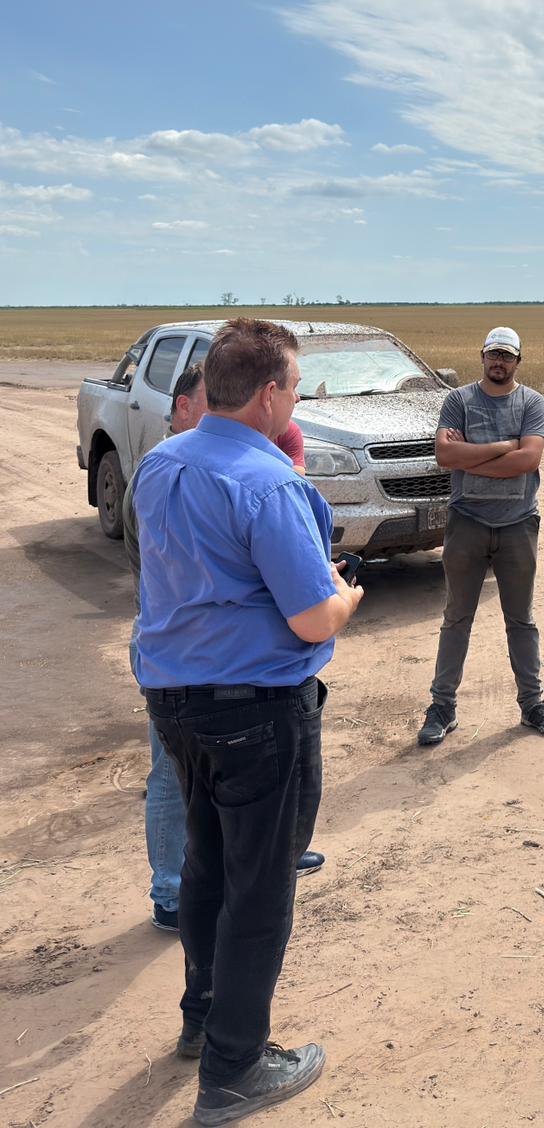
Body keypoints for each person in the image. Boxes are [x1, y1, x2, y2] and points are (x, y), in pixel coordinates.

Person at [134, 319, 363, 1124]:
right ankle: (235, 1069)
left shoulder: (161, 463)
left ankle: (204, 1020)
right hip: (258, 709)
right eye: (297, 388)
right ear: (270, 395)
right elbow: (311, 618)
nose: (296, 401)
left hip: (176, 700)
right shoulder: (270, 486)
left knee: (207, 866)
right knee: (260, 888)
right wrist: (347, 597)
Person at [122, 365, 324, 935]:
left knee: (204, 801)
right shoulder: (174, 471)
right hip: (213, 662)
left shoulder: (162, 469)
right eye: (209, 403)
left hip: (172, 657)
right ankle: (171, 891)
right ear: (183, 407)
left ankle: (217, 884)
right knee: (174, 779)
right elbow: (305, 611)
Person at [417, 327, 544, 745]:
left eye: (507, 356)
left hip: (518, 524)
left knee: (521, 620)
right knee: (456, 619)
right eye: (492, 354)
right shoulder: (459, 400)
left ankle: (532, 704)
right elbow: (445, 455)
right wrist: (504, 445)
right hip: (467, 523)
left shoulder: (531, 403)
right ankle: (442, 707)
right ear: (481, 356)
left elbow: (528, 460)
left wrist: (472, 458)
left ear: (518, 361)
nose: (498, 362)